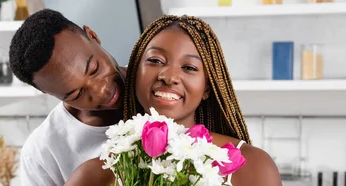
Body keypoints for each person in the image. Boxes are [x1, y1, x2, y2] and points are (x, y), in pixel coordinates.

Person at [65, 15, 282, 186]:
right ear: (134, 72)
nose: (168, 76)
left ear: (206, 88)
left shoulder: (254, 167)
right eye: (155, 60)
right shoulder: (93, 175)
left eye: (189, 67)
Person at [8, 9, 126, 186]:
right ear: (46, 92)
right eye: (77, 94)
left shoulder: (165, 85)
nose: (101, 91)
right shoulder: (42, 154)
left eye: (94, 69)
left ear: (93, 36)